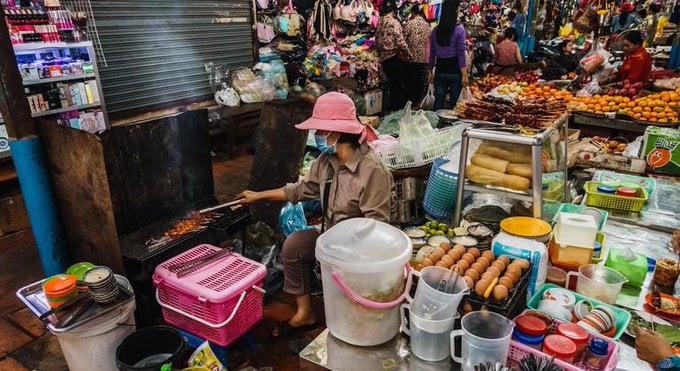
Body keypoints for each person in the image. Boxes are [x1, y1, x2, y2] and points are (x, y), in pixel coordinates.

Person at [237, 92, 394, 338]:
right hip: (330, 239)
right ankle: (304, 314)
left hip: (359, 251)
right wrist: (258, 195)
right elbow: (299, 190)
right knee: (294, 245)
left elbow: (377, 227)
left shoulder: (372, 171)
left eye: (321, 130)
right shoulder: (325, 161)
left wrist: (343, 254)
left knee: (352, 313)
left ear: (338, 133)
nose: (318, 135)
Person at [428, 0, 468, 110]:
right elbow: (461, 54)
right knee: (455, 106)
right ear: (455, 11)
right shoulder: (459, 30)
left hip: (440, 70)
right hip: (455, 71)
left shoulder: (435, 31)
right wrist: (464, 75)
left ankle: (436, 126)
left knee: (438, 104)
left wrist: (430, 71)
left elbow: (432, 53)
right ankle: (453, 126)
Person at [376, 0, 413, 111]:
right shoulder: (394, 22)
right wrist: (409, 53)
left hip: (384, 58)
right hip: (393, 56)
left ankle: (390, 108)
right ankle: (397, 109)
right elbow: (399, 40)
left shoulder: (380, 22)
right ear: (393, 11)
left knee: (392, 84)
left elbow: (376, 40)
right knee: (399, 84)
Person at [403, 5, 431, 105]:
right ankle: (417, 101)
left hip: (410, 57)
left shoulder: (409, 24)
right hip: (422, 57)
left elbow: (403, 39)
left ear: (413, 13)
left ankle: (410, 100)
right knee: (419, 79)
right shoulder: (427, 25)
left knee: (410, 79)